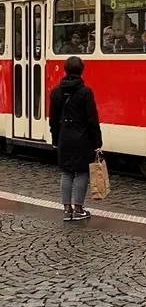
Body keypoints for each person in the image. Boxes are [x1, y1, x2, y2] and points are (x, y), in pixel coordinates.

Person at [49, 56, 102, 221]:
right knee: (81, 172)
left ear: (65, 70)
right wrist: (97, 141)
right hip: (82, 138)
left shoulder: (56, 91)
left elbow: (53, 120)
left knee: (66, 173)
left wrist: (55, 139)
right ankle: (78, 209)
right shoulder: (85, 92)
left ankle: (67, 210)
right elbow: (92, 119)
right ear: (81, 70)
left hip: (64, 136)